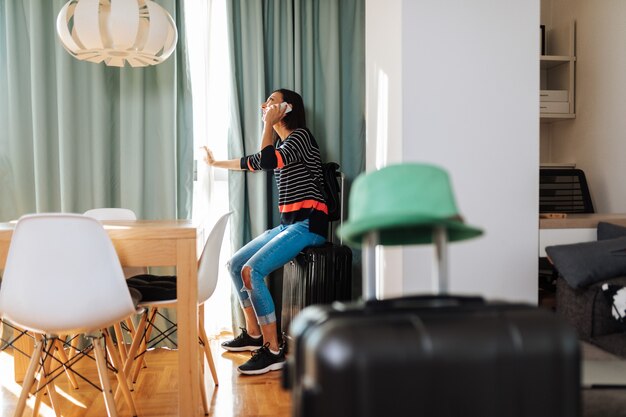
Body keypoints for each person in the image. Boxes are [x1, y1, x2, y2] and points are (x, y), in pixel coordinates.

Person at [203, 88, 328, 375]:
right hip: (290, 224)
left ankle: (273, 350)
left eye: (271, 101)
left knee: (251, 271)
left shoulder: (301, 137)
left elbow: (267, 159)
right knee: (235, 265)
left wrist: (266, 125)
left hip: (310, 223)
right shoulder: (283, 148)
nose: (264, 105)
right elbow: (254, 162)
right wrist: (213, 164)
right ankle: (253, 334)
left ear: (287, 108)